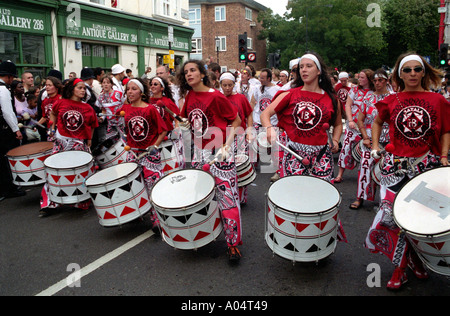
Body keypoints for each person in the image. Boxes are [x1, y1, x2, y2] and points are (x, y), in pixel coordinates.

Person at [364, 53, 450, 290]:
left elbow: (446, 131)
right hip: (394, 169)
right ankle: (400, 268)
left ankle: (416, 260)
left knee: (418, 221)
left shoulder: (438, 100)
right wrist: (374, 145)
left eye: (417, 69)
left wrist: (443, 156)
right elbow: (376, 121)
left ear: (424, 72)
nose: (412, 74)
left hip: (427, 169)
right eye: (407, 70)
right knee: (393, 219)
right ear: (399, 74)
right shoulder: (392, 100)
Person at [178, 60, 243, 262]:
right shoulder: (189, 96)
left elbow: (237, 120)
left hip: (219, 152)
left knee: (227, 199)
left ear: (202, 74)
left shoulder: (216, 96)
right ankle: (205, 235)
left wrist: (226, 146)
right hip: (199, 152)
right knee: (202, 196)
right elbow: (186, 121)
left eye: (193, 70)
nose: (189, 74)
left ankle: (233, 244)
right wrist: (184, 124)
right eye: (186, 72)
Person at [261, 53, 343, 182]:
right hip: (295, 154)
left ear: (318, 71)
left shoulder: (332, 98)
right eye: (301, 67)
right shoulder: (290, 94)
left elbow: (338, 124)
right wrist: (269, 129)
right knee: (294, 198)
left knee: (321, 198)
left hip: (322, 155)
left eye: (308, 66)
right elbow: (265, 114)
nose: (303, 69)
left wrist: (336, 140)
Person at [39, 78, 100, 217]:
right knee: (54, 171)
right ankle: (50, 203)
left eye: (84, 88)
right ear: (72, 89)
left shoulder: (88, 107)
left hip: (79, 143)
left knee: (79, 173)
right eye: (79, 88)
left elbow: (92, 126)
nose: (83, 90)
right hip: (61, 141)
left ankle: (81, 202)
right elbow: (53, 113)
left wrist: (89, 139)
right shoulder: (60, 102)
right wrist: (53, 127)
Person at [119, 78, 169, 231]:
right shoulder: (125, 108)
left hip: (149, 154)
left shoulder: (150, 109)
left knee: (153, 187)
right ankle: (137, 213)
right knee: (134, 186)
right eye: (128, 89)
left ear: (141, 92)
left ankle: (157, 220)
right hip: (132, 154)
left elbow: (163, 130)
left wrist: (155, 146)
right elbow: (119, 125)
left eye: (134, 89)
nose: (130, 92)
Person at [354, 69, 392, 207]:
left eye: (380, 80)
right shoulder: (368, 98)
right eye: (375, 81)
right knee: (364, 166)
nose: (377, 83)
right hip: (370, 139)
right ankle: (360, 197)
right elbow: (360, 120)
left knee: (388, 170)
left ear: (387, 81)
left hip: (389, 141)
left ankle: (386, 201)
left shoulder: (393, 97)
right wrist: (365, 137)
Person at [335, 69, 374, 188]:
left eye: (362, 77)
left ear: (368, 79)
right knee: (346, 148)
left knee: (367, 153)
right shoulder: (354, 90)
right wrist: (350, 120)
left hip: (368, 127)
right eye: (359, 77)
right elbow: (348, 105)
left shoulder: (374, 92)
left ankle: (365, 177)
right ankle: (340, 174)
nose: (360, 79)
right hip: (353, 126)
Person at [220, 72, 253, 204]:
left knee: (239, 167)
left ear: (234, 84)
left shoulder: (241, 98)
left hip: (239, 135)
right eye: (224, 85)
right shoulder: (218, 98)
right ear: (220, 85)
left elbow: (249, 114)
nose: (227, 88)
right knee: (224, 166)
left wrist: (250, 130)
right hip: (223, 136)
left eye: (230, 85)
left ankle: (240, 197)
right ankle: (226, 194)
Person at [148, 76, 185, 174]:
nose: (152, 86)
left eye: (155, 84)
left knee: (171, 170)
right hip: (153, 139)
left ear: (162, 88)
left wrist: (176, 130)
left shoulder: (167, 102)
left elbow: (177, 119)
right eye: (151, 84)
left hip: (167, 138)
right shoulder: (147, 102)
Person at [0, 60, 25, 201]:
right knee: (7, 158)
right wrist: (16, 129)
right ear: (9, 76)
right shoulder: (3, 89)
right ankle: (9, 188)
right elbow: (7, 112)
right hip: (4, 130)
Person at [38, 76, 63, 141]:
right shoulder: (45, 101)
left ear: (56, 87)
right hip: (50, 130)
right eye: (46, 85)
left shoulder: (61, 99)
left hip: (60, 130)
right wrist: (36, 124)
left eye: (50, 85)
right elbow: (45, 116)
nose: (47, 87)